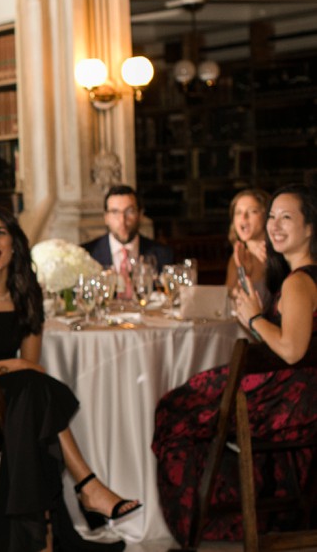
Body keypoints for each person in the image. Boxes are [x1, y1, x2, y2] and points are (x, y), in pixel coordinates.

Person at [0, 205, 140, 552]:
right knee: (35, 395)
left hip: (11, 403)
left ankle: (30, 540)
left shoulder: (28, 296)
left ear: (14, 243)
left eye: (0, 233)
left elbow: (30, 365)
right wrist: (2, 367)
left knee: (31, 404)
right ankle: (86, 487)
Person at [152, 184, 317, 544]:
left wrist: (256, 319)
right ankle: (255, 509)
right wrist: (252, 320)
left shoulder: (300, 282)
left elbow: (291, 351)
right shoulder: (296, 278)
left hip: (290, 404)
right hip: (293, 397)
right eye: (271, 216)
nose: (274, 225)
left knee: (173, 408)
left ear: (309, 228)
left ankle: (199, 521)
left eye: (286, 217)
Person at [81, 185, 173, 297]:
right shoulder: (87, 254)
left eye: (129, 211)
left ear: (140, 214)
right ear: (106, 217)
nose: (122, 220)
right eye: (115, 212)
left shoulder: (162, 255)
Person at [224, 188, 270, 296]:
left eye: (253, 211)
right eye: (238, 212)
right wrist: (244, 272)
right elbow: (228, 301)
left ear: (266, 216)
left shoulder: (277, 255)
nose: (243, 217)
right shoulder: (236, 258)